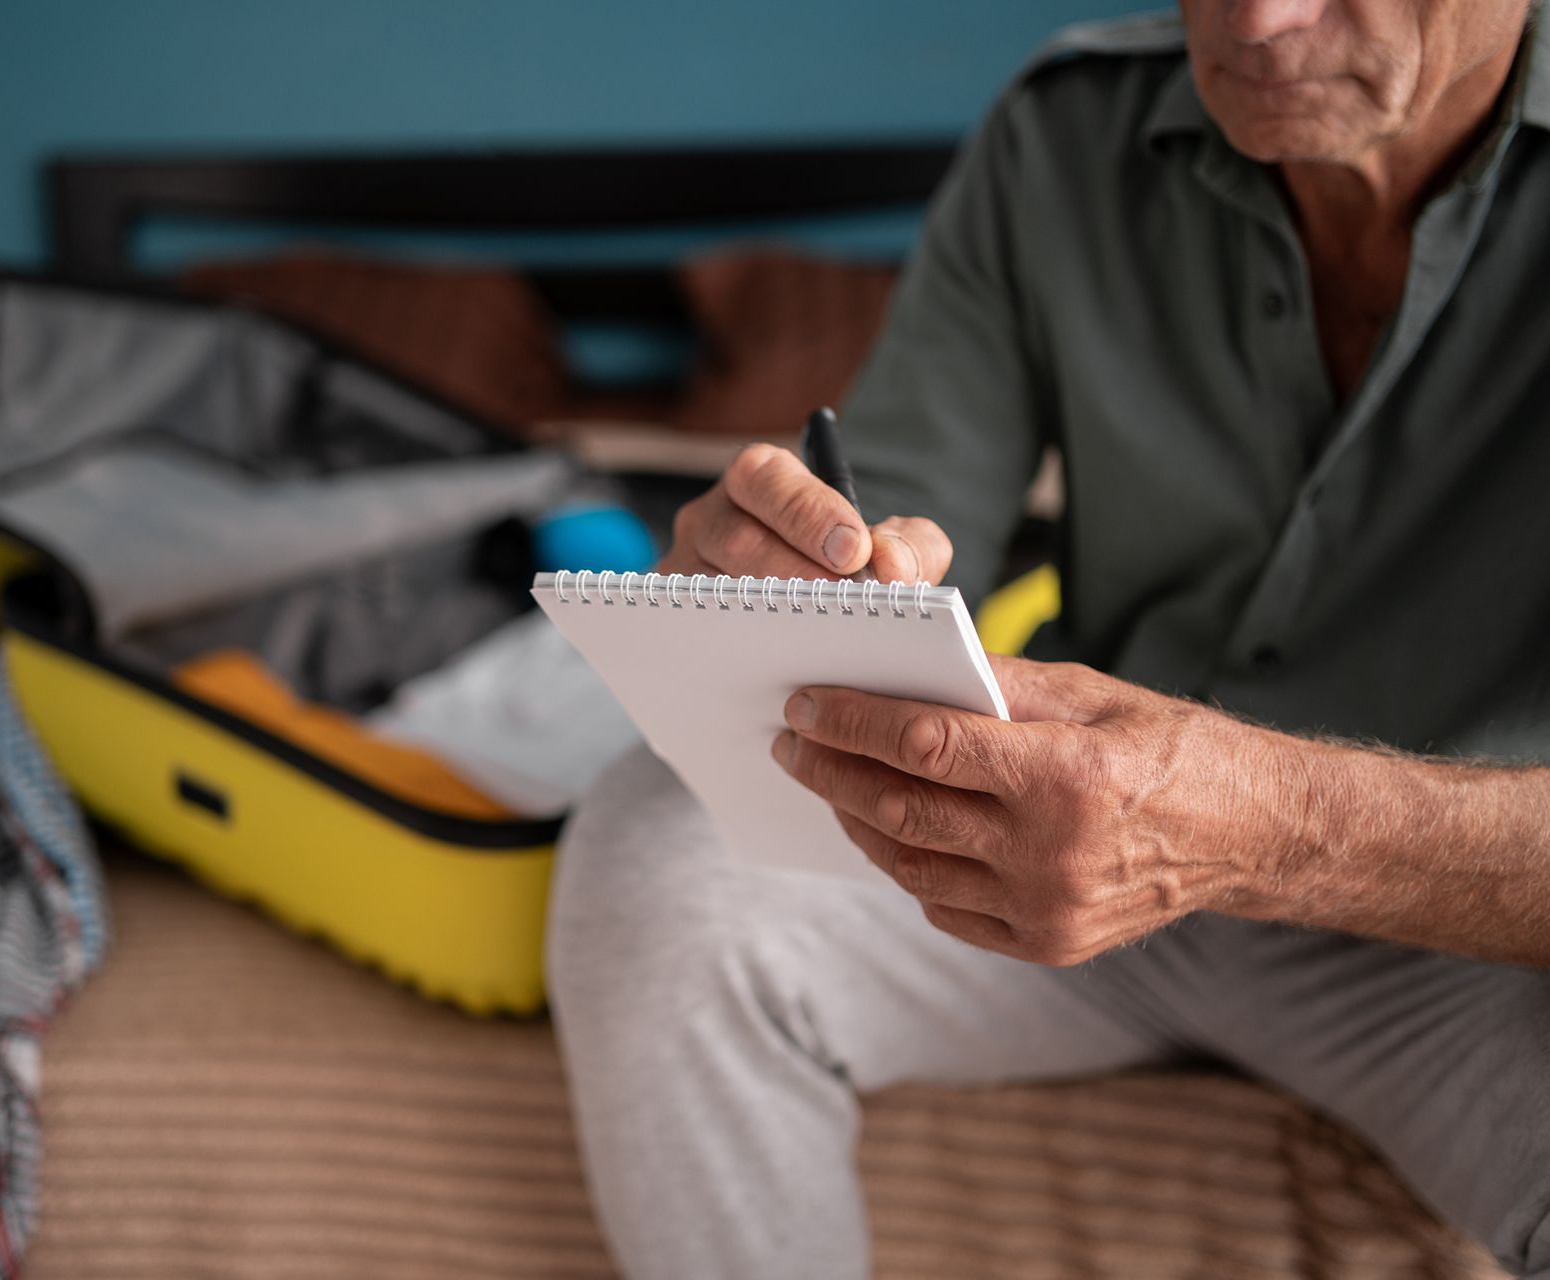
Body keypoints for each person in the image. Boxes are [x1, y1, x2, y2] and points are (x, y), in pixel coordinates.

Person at [546, 0, 1550, 1276]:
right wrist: (777, 581)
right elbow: (893, 523)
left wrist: (1248, 822)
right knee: (652, 860)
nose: (1253, 18)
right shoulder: (1063, 128)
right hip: (1070, 853)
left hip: (1466, 919)